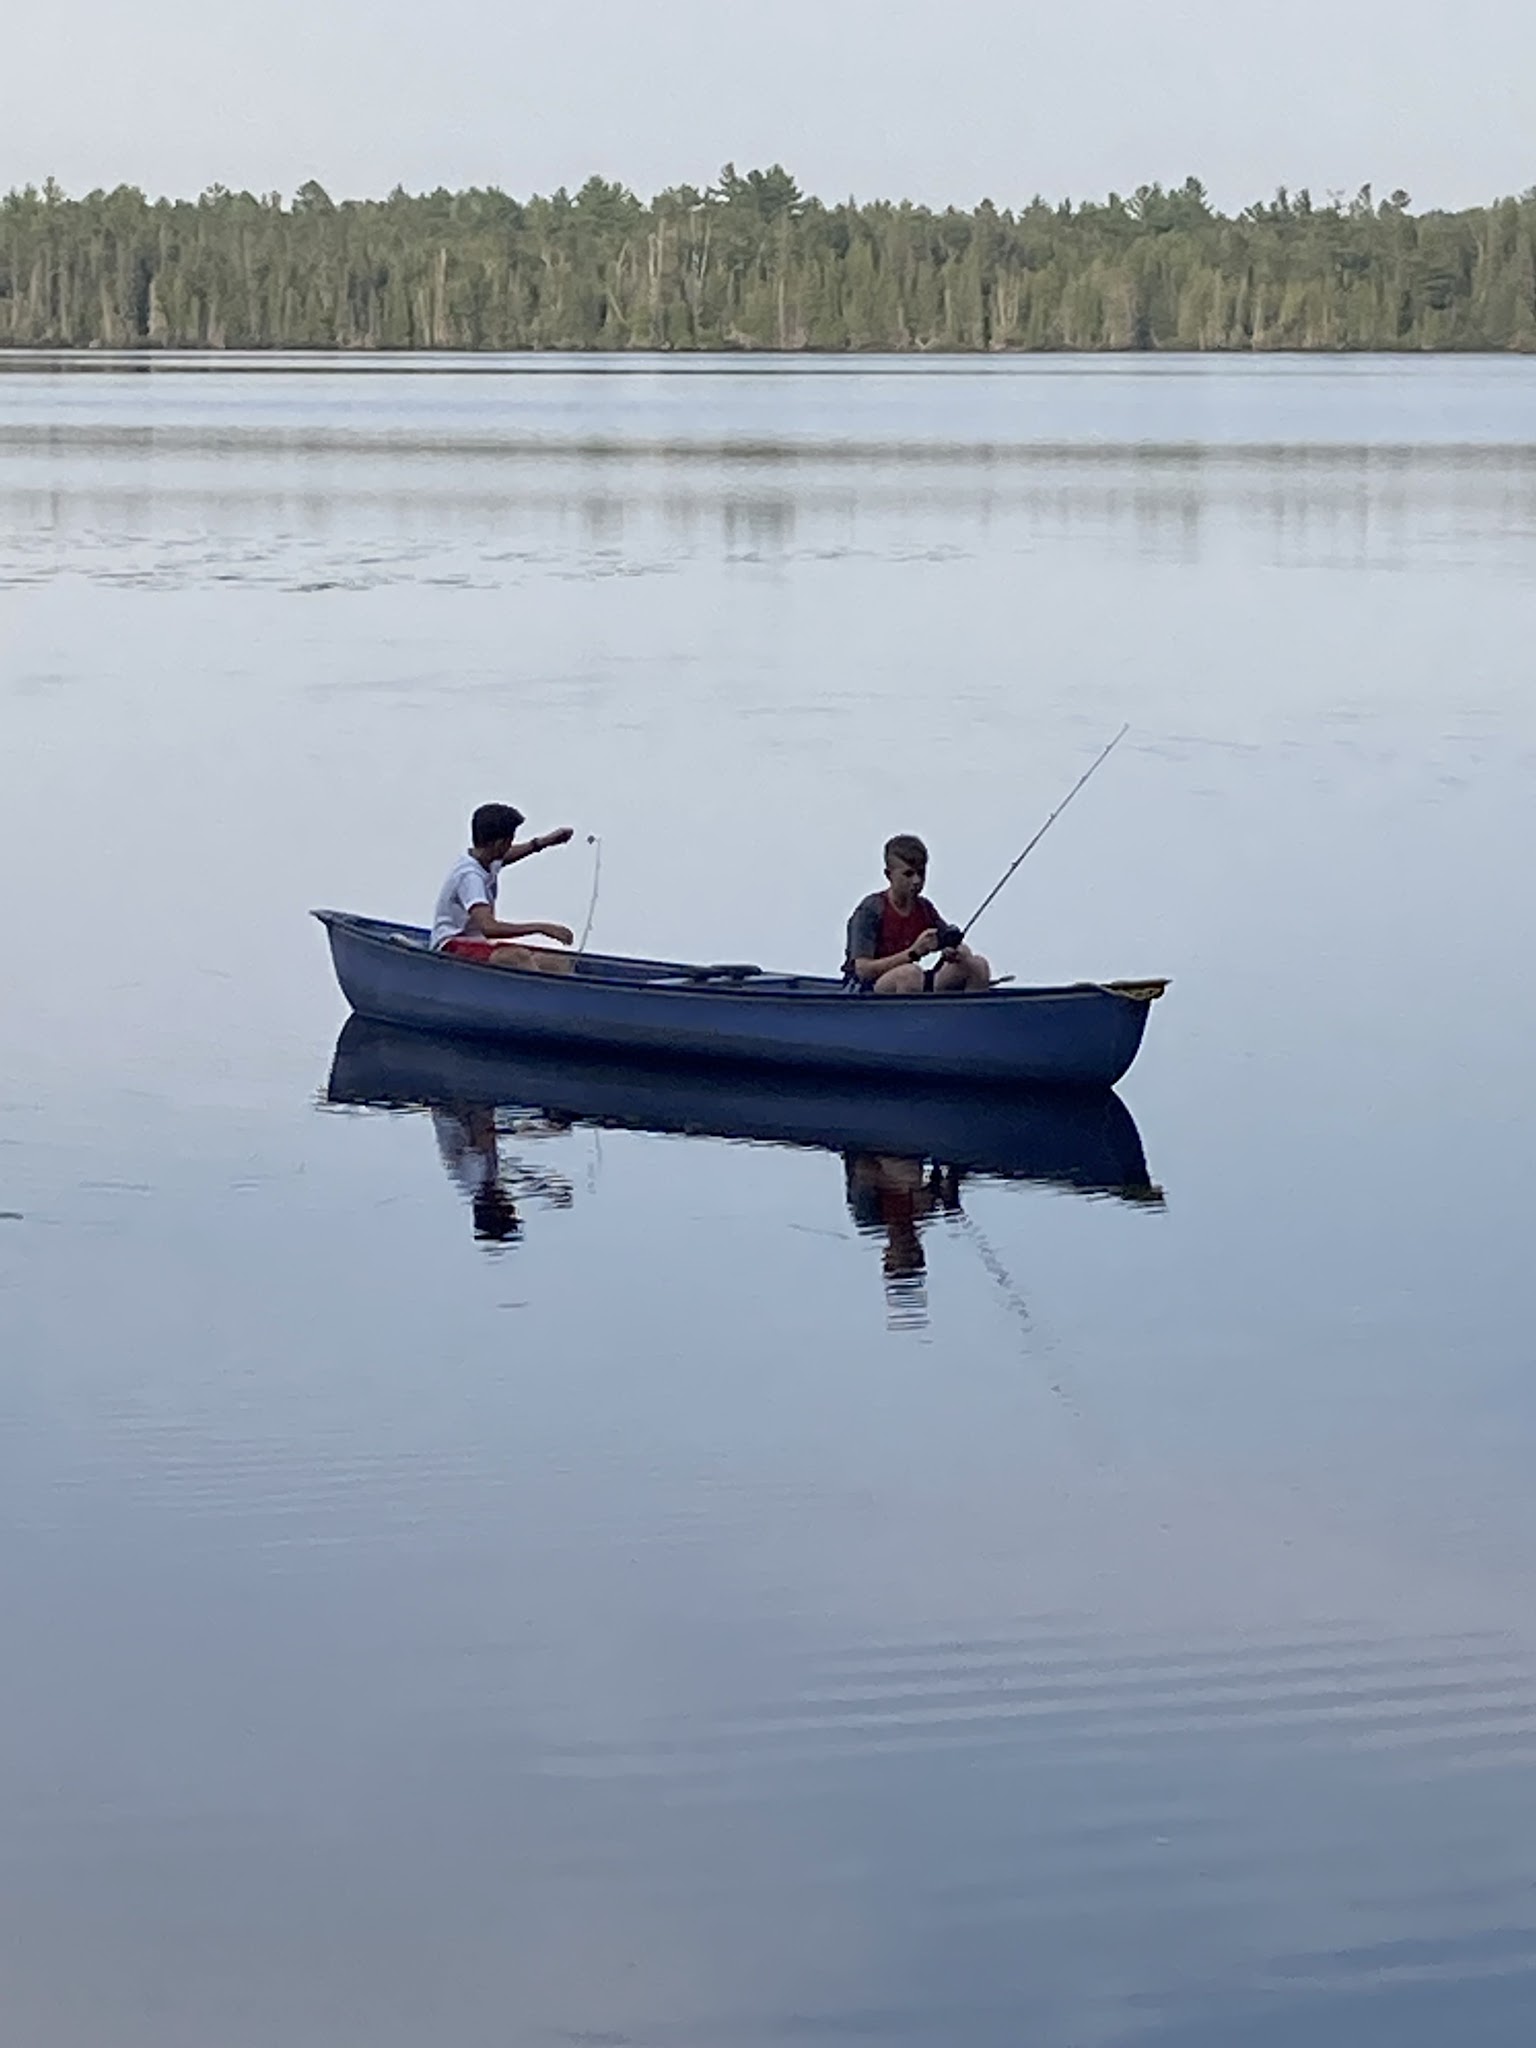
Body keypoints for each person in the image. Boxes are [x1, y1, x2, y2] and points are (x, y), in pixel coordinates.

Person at [432, 802, 577, 973]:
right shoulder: (470, 878)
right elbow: (489, 927)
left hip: (477, 944)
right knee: (516, 958)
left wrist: (542, 843)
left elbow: (506, 857)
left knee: (555, 960)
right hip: (452, 945)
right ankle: (538, 995)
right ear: (499, 843)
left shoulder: (486, 859)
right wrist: (541, 928)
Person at [843, 834, 992, 993]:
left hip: (916, 982)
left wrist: (956, 951)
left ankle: (967, 1014)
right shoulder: (871, 910)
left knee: (977, 965)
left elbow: (948, 941)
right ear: (889, 875)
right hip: (867, 990)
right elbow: (863, 970)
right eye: (908, 874)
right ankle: (905, 1017)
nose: (916, 881)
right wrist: (913, 952)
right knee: (909, 974)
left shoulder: (924, 908)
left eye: (921, 873)